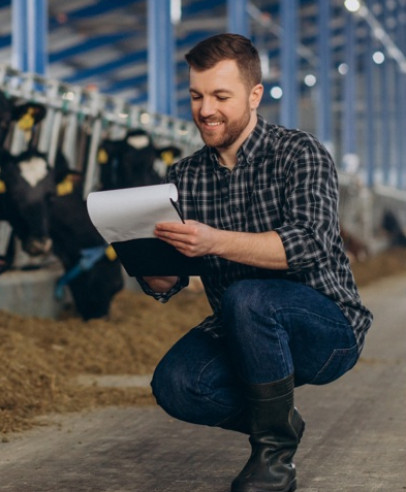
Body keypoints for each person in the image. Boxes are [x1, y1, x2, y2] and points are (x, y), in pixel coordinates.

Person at [138, 33, 372, 492]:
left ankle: (274, 460)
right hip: (239, 327)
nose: (205, 110)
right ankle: (279, 420)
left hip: (326, 329)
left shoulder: (299, 153)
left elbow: (309, 244)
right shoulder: (183, 176)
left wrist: (213, 241)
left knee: (249, 296)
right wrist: (151, 267)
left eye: (221, 96)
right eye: (196, 95)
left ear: (254, 95)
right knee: (176, 383)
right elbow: (173, 278)